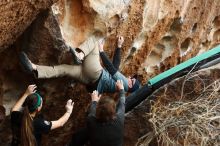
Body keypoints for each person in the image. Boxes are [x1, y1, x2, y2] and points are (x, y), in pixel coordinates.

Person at [19, 36, 141, 94]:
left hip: (95, 73)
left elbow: (111, 68)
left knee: (94, 41)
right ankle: (34, 68)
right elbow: (115, 67)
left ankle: (80, 56)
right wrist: (118, 47)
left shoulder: (124, 84)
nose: (131, 77)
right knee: (64, 69)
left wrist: (101, 50)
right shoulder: (121, 88)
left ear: (131, 84)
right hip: (88, 80)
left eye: (132, 80)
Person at [68, 80, 125, 146]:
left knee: (78, 136)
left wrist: (94, 100)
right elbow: (122, 102)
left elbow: (92, 111)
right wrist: (121, 89)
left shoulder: (91, 121)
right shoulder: (120, 119)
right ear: (114, 111)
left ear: (97, 111)